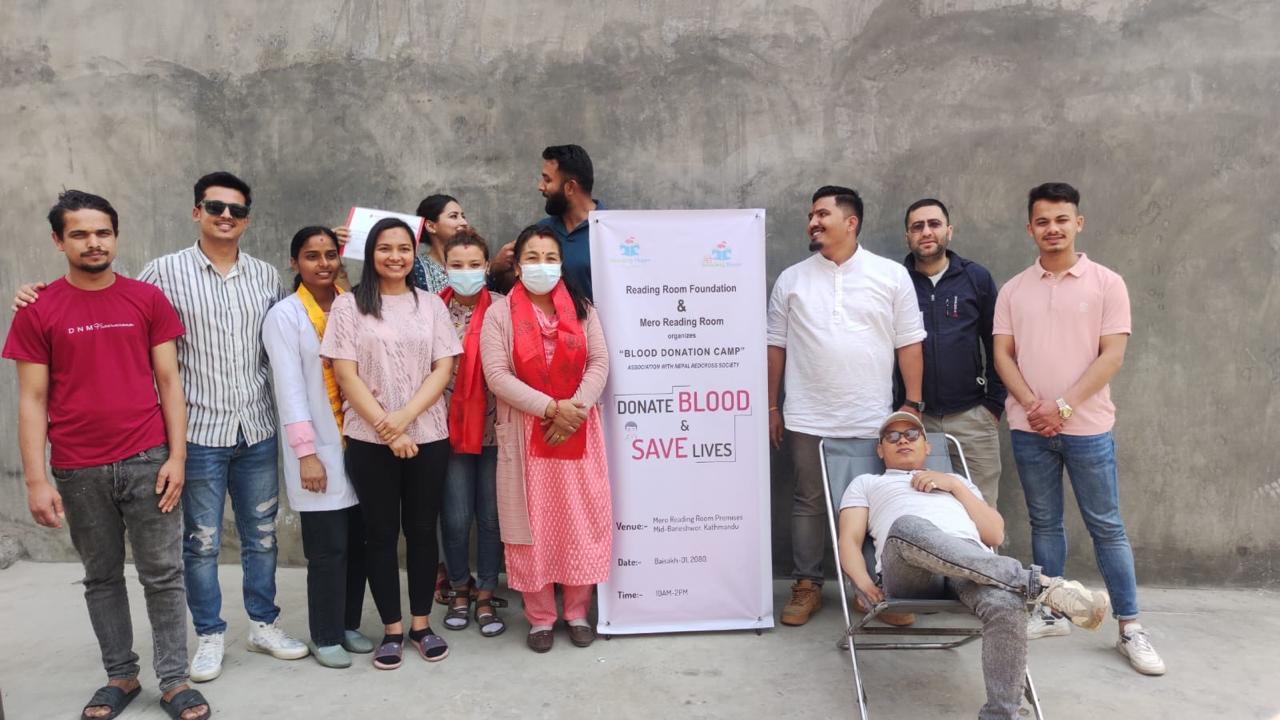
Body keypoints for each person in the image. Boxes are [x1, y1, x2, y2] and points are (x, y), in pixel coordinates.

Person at [10, 172, 308, 681]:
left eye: (236, 210)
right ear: (197, 212)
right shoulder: (161, 274)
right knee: (201, 540)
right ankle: (210, 634)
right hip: (197, 431)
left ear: (247, 219)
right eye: (215, 207)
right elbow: (103, 296)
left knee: (262, 534)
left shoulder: (264, 276)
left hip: (256, 427)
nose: (225, 216)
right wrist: (30, 294)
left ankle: (263, 623)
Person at [3, 191, 210, 720]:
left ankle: (173, 681)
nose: (93, 243)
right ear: (58, 240)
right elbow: (31, 399)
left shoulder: (145, 300)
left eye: (102, 233)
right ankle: (120, 675)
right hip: (78, 468)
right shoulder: (39, 309)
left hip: (149, 458)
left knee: (163, 573)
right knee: (101, 576)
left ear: (115, 236)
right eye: (79, 234)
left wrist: (177, 457)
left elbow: (170, 381)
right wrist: (36, 480)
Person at [993, 182, 1165, 675]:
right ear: (1031, 228)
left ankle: (1130, 627)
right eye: (1043, 221)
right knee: (1045, 524)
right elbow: (1003, 354)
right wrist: (1033, 405)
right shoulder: (1013, 289)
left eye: (1061, 219)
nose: (1053, 229)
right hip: (1030, 429)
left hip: (1087, 427)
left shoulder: (1107, 283)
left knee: (1106, 527)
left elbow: (1112, 354)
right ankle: (1053, 610)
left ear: (1078, 223)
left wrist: (1063, 407)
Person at [838, 411, 1110, 720]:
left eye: (912, 434)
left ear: (927, 447)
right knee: (908, 525)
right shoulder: (866, 483)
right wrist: (862, 583)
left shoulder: (958, 482)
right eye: (892, 437)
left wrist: (955, 487)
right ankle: (1041, 585)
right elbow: (849, 539)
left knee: (1006, 602)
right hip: (908, 566)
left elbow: (994, 533)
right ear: (880, 450)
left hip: (969, 565)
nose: (903, 440)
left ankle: (1001, 715)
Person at [766, 185, 927, 626]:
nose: (812, 222)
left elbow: (909, 343)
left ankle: (873, 591)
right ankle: (806, 585)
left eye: (822, 215)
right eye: (811, 216)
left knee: (872, 505)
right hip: (807, 416)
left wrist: (910, 404)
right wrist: (772, 408)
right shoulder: (792, 279)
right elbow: (774, 348)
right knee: (808, 503)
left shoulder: (891, 276)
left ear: (850, 222)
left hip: (870, 417)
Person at [320, 217, 461, 670]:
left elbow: (443, 368)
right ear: (370, 253)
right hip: (369, 439)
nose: (395, 257)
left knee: (422, 530)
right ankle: (392, 629)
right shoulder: (348, 307)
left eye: (404, 248)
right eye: (385, 248)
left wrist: (405, 420)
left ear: (413, 253)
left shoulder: (431, 305)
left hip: (428, 435)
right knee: (379, 534)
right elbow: (345, 374)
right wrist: (387, 428)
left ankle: (422, 624)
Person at [480, 224, 612, 653]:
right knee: (530, 525)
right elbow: (496, 375)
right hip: (525, 433)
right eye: (532, 258)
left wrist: (575, 408)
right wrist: (553, 409)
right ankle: (539, 618)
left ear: (561, 264)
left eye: (550, 257)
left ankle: (576, 612)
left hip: (578, 430)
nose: (542, 265)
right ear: (517, 267)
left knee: (578, 519)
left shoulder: (582, 307)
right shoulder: (500, 313)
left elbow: (599, 363)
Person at [262, 227, 375, 668]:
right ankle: (325, 634)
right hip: (318, 449)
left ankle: (348, 624)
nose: (323, 264)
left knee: (360, 542)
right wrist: (306, 454)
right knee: (328, 549)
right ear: (295, 263)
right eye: (312, 256)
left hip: (360, 442)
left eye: (330, 255)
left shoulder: (352, 308)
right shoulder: (285, 316)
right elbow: (289, 389)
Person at [897, 198, 1007, 504]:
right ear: (908, 236)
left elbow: (997, 341)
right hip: (916, 419)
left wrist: (993, 407)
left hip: (972, 417)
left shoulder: (976, 278)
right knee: (925, 509)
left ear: (949, 231)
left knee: (981, 508)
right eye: (917, 227)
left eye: (934, 224)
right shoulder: (895, 281)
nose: (926, 232)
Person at [437, 232, 507, 637]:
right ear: (445, 267)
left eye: (474, 265)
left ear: (486, 267)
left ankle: (486, 592)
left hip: (497, 429)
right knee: (457, 516)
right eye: (456, 265)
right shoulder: (431, 309)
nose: (465, 273)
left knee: (492, 517)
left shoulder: (503, 308)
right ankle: (459, 589)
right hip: (448, 431)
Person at [491, 145, 602, 299]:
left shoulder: (612, 232)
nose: (540, 187)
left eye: (547, 180)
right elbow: (513, 292)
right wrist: (497, 269)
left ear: (570, 187)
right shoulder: (541, 232)